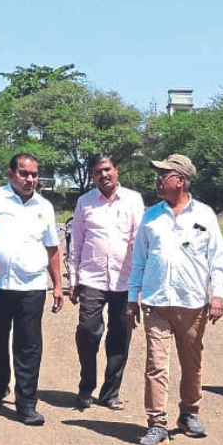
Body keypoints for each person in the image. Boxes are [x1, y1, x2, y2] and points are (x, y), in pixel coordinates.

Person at [126, 154, 223, 445]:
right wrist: (132, 299)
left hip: (192, 303)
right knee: (156, 365)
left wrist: (218, 295)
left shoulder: (206, 215)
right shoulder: (151, 216)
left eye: (164, 175)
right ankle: (157, 424)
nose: (158, 180)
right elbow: (139, 262)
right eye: (158, 175)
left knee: (191, 362)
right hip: (156, 303)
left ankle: (188, 413)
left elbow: (218, 258)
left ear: (181, 180)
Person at [0, 153, 64, 425]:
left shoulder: (44, 206)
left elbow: (52, 248)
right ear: (11, 174)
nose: (30, 179)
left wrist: (57, 284)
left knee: (29, 345)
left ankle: (26, 403)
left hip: (32, 286)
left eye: (34, 174)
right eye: (24, 173)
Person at [68, 153, 145, 410]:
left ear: (117, 171)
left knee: (120, 336)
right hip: (92, 278)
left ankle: (110, 392)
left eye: (108, 169)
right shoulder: (85, 202)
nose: (104, 175)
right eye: (99, 171)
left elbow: (140, 241)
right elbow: (76, 241)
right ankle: (86, 386)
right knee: (88, 331)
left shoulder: (133, 200)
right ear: (93, 176)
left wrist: (141, 281)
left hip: (125, 281)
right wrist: (73, 277)